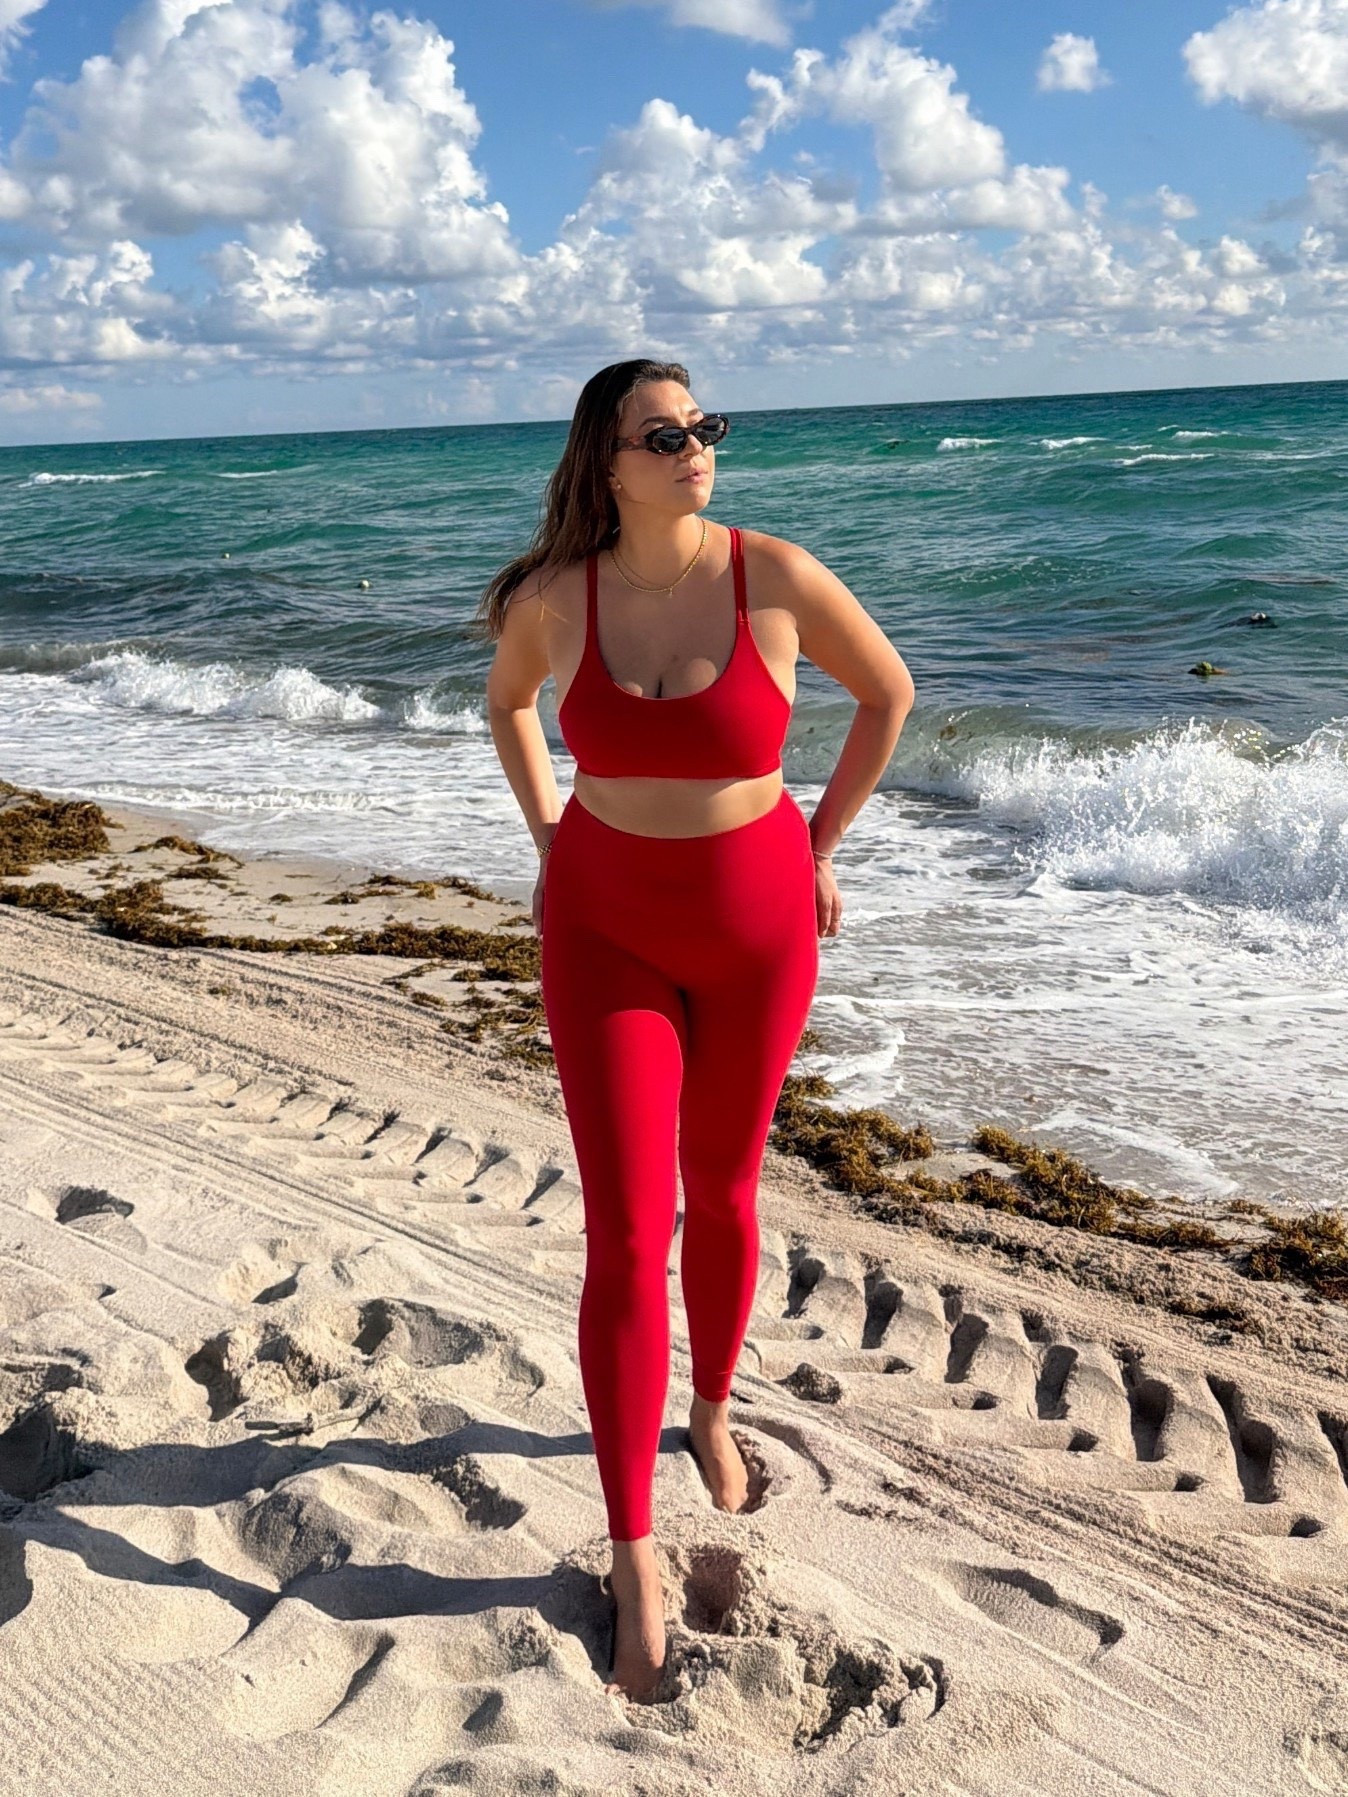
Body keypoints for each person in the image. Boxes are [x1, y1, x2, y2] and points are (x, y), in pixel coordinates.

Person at [477, 358, 915, 1700]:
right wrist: (550, 835)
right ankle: (634, 1559)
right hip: (604, 929)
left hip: (758, 927)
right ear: (605, 463)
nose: (694, 449)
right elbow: (507, 707)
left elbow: (888, 694)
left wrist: (820, 845)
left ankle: (712, 1414)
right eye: (663, 435)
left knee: (723, 1192)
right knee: (625, 1230)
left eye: (704, 427)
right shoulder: (556, 600)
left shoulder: (774, 575)